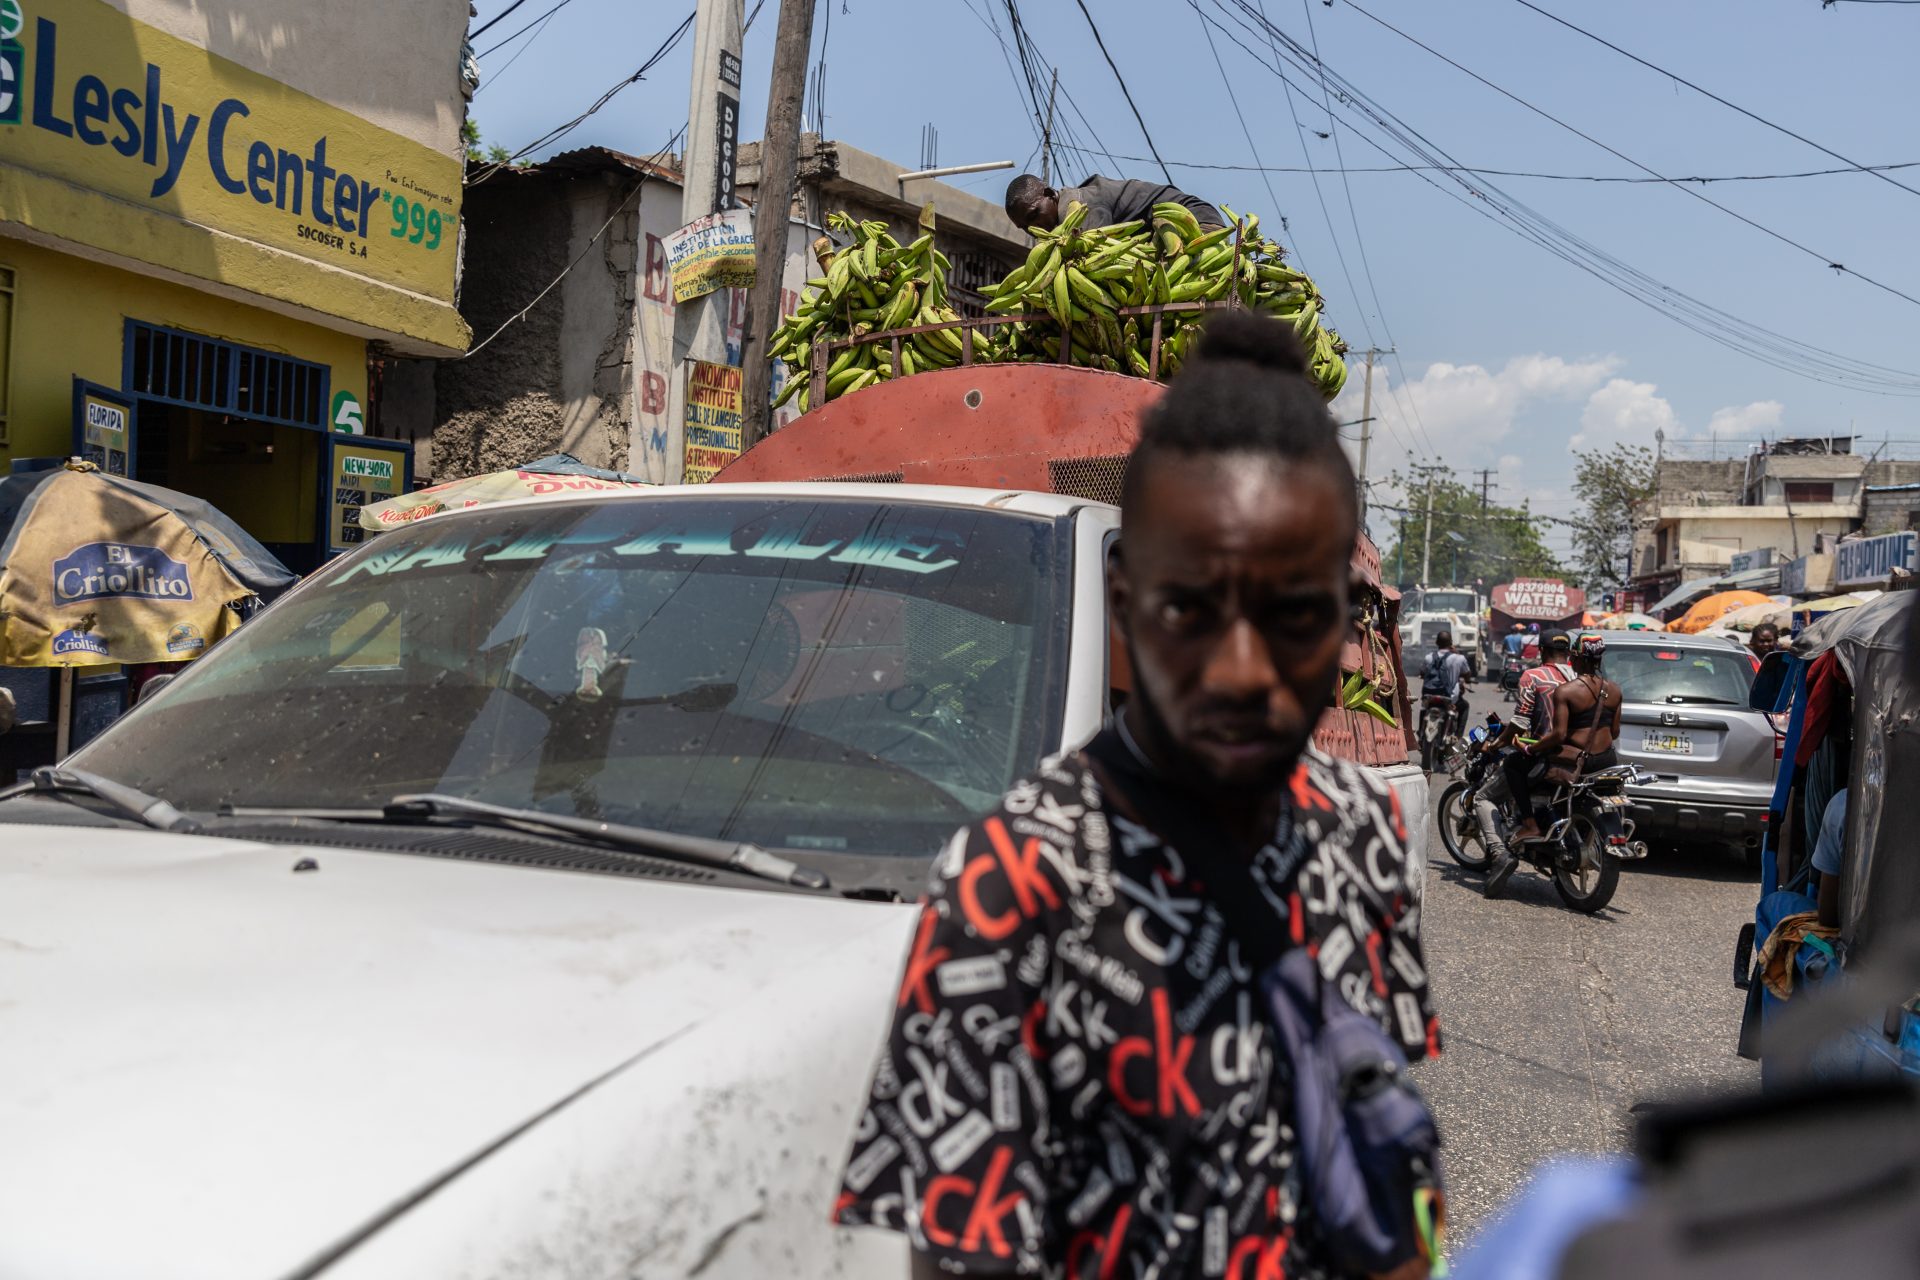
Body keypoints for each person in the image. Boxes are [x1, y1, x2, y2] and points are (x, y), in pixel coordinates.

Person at [833, 313, 1439, 1279]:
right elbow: (960, 1258)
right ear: (1123, 598)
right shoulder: (1012, 884)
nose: (1243, 670)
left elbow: (1384, 1160)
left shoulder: (1364, 833)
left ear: (1345, 622)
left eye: (1292, 615)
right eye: (1192, 607)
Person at [1495, 634, 1621, 870]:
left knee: (1514, 765)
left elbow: (1559, 734)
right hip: (1607, 760)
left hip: (1579, 761)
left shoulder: (1567, 691)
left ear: (1575, 656)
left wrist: (1531, 747)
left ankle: (1530, 824)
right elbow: (1614, 732)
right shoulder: (1613, 690)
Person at [1004, 172, 1226, 235]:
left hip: (1194, 222)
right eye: (1024, 227)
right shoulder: (1063, 225)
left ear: (1051, 194)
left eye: (1034, 215)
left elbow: (1097, 262)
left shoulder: (1082, 210)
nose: (1032, 229)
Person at [1420, 629, 1473, 738]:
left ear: (1436, 643)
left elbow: (1422, 672)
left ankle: (1420, 732)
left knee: (1424, 708)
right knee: (1465, 706)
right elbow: (1467, 674)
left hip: (1428, 695)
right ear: (1450, 643)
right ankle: (1458, 737)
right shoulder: (1459, 658)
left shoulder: (1428, 657)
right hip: (1449, 697)